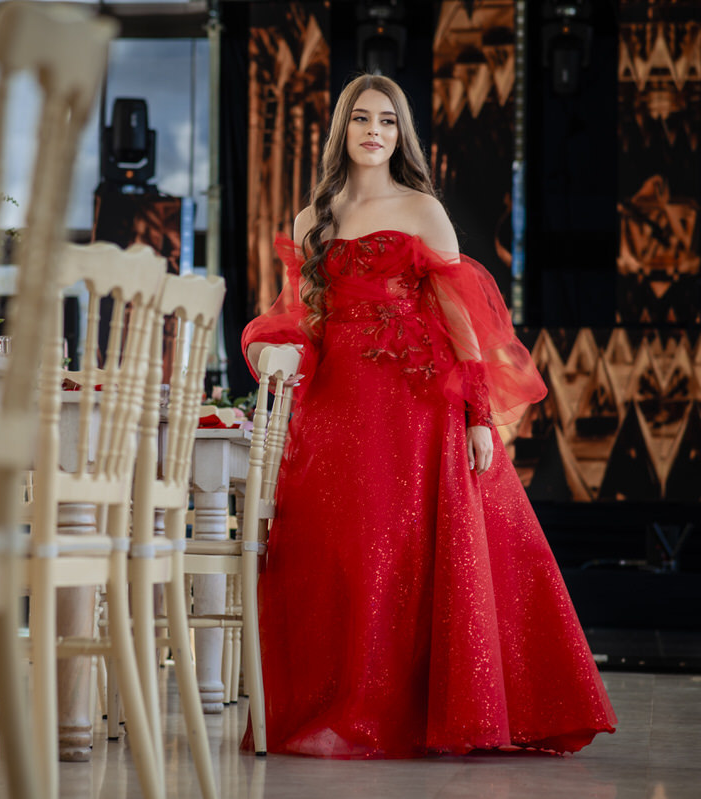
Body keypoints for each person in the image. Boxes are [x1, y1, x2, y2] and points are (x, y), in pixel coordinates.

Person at [240, 74, 616, 758]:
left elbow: (461, 319)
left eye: (387, 120)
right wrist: (271, 346)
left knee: (407, 551)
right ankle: (336, 705)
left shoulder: (421, 209)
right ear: (343, 131)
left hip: (415, 404)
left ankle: (415, 713)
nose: (374, 130)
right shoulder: (310, 219)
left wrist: (476, 413)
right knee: (340, 554)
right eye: (361, 118)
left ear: (400, 134)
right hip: (335, 407)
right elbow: (299, 316)